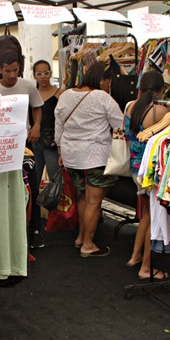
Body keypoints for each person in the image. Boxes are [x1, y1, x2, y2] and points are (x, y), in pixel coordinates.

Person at [55, 62, 124, 257]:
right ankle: (88, 244)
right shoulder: (102, 97)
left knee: (83, 197)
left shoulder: (66, 94)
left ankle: (80, 237)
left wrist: (60, 151)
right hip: (95, 156)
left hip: (71, 155)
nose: (108, 85)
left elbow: (58, 125)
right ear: (103, 79)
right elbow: (119, 124)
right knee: (94, 202)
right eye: (108, 81)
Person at [0, 52, 46, 248]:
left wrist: (36, 126)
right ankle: (6, 229)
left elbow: (37, 107)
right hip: (0, 144)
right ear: (0, 70)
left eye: (15, 70)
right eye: (8, 70)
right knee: (3, 187)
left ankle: (34, 229)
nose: (12, 74)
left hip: (24, 142)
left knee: (32, 186)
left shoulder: (27, 85)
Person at [125, 70, 169, 280]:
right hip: (151, 170)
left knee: (146, 216)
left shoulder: (130, 106)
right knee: (153, 218)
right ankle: (146, 267)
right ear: (161, 90)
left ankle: (135, 256)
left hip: (135, 168)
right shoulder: (160, 112)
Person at [32, 60, 63, 202]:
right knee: (33, 179)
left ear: (51, 74)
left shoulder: (59, 94)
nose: (43, 76)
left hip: (52, 142)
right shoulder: (31, 94)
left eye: (46, 73)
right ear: (34, 76)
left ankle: (56, 214)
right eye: (39, 73)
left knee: (55, 179)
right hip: (34, 141)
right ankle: (34, 215)